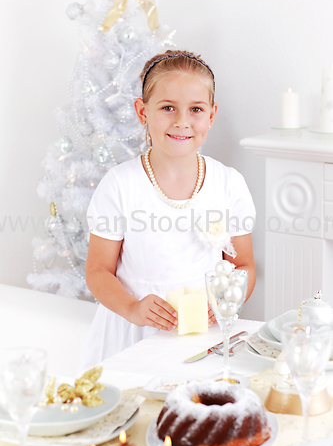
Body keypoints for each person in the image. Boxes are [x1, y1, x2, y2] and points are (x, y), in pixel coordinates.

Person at [79, 50, 256, 371]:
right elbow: (97, 271)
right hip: (133, 332)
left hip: (202, 333)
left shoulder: (228, 184)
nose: (182, 122)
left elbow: (242, 264)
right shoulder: (120, 185)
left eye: (196, 109)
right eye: (167, 108)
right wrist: (132, 308)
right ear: (142, 111)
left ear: (212, 115)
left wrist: (227, 303)